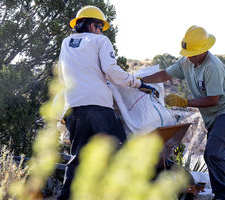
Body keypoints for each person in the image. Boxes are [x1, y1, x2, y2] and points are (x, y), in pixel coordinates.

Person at [56, 5, 156, 200]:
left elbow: (61, 77)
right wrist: (136, 82)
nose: (101, 31)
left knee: (77, 158)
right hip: (99, 107)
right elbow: (111, 71)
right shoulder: (101, 40)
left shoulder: (66, 43)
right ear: (94, 26)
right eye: (100, 27)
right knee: (119, 152)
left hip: (73, 108)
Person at [140, 25, 225, 200]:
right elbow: (165, 74)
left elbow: (214, 100)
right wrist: (139, 81)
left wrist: (184, 102)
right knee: (218, 156)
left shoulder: (213, 67)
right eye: (187, 53)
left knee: (212, 153)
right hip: (213, 116)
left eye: (193, 53)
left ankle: (224, 197)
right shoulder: (187, 61)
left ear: (204, 50)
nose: (188, 57)